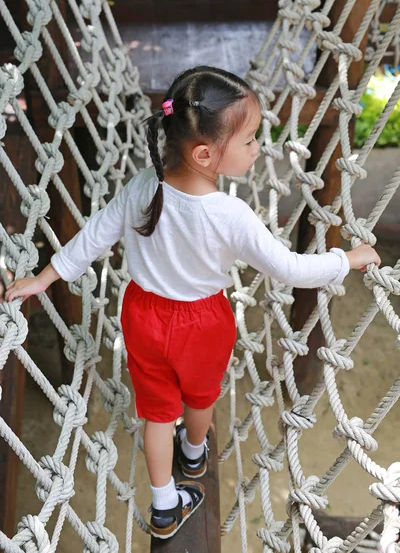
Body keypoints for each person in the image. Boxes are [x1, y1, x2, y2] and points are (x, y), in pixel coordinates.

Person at [5, 66, 381, 539]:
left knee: (157, 412)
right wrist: (346, 257)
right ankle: (196, 450)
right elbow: (290, 269)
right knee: (199, 398)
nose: (257, 149)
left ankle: (163, 505)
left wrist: (42, 279)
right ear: (206, 153)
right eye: (249, 142)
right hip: (203, 323)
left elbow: (94, 236)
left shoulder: (146, 184)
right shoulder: (230, 215)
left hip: (142, 315)